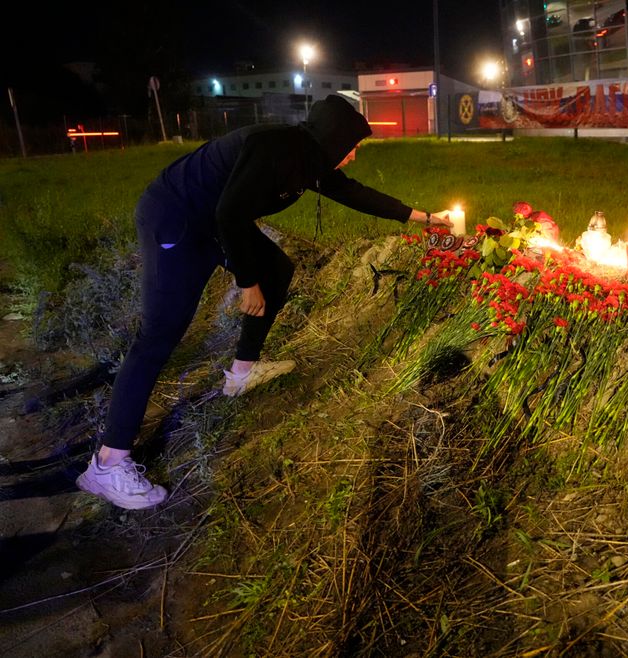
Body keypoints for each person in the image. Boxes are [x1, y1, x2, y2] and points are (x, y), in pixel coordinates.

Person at [76, 95, 451, 510]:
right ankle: (108, 464)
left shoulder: (310, 158)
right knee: (158, 336)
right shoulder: (275, 148)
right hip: (176, 217)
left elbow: (354, 194)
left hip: (213, 219)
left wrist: (425, 218)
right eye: (353, 146)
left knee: (278, 270)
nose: (354, 156)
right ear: (333, 138)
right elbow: (230, 216)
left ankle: (242, 372)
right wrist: (246, 282)